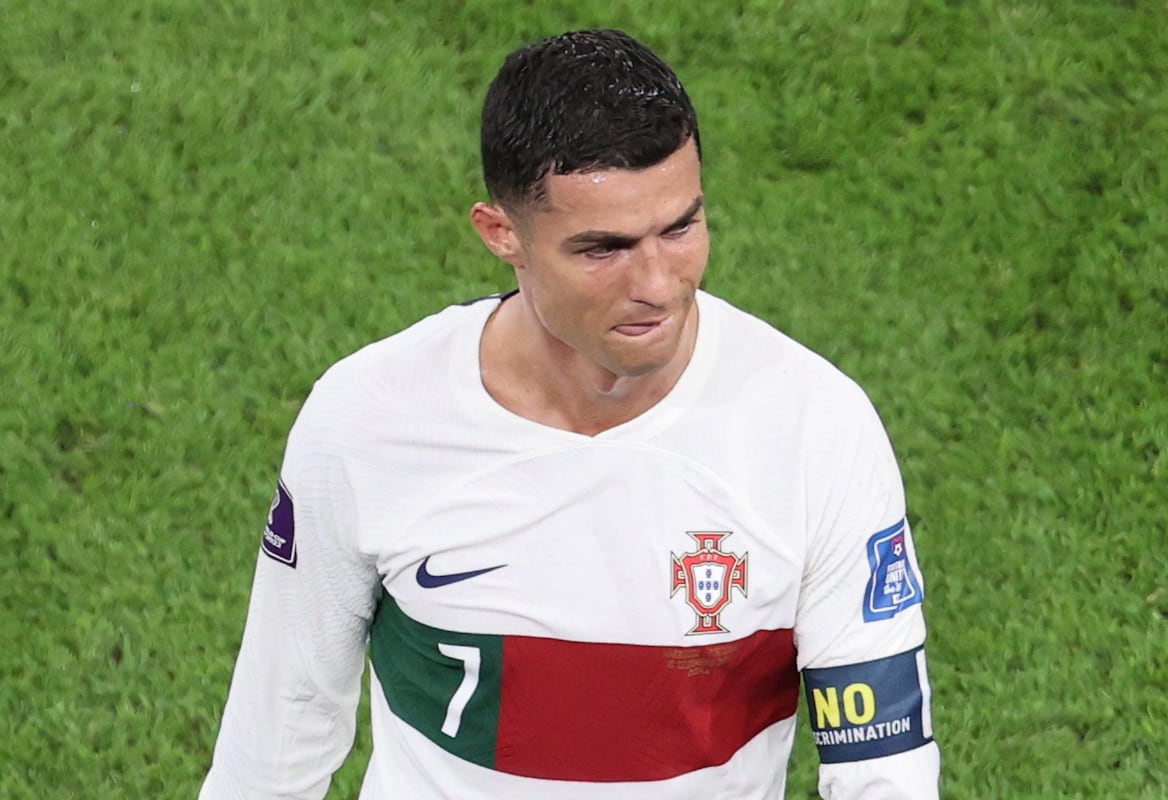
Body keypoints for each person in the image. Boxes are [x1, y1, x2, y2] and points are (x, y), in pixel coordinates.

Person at [199, 28, 940, 800]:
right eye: (603, 249)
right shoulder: (368, 422)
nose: (657, 284)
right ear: (502, 234)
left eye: (680, 228)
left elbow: (884, 770)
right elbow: (277, 736)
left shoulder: (815, 428)